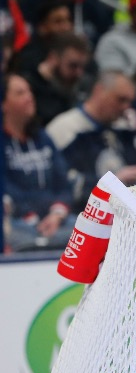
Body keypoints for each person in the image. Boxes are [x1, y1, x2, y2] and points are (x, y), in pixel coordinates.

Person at [45, 70, 136, 206]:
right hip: (80, 213)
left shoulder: (123, 128)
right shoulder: (65, 128)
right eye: (121, 100)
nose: (126, 107)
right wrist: (110, 184)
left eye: (129, 102)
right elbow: (58, 182)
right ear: (99, 91)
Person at [2, 74, 76, 252]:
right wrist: (33, 216)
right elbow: (6, 189)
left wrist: (56, 214)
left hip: (55, 219)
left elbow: (63, 182)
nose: (29, 97)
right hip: (20, 220)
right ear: (3, 104)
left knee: (87, 232)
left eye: (29, 91)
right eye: (20, 93)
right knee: (18, 236)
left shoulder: (43, 138)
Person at [23, 31, 91, 125]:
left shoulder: (82, 86)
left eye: (82, 67)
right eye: (73, 66)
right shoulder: (29, 89)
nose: (79, 73)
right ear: (53, 58)